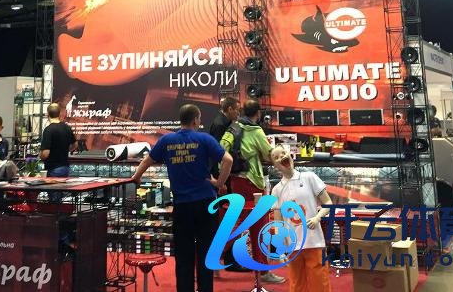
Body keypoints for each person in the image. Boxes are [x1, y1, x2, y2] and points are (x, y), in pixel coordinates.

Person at [131, 104, 232, 292]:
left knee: (184, 255)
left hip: (182, 206)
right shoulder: (204, 138)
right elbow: (228, 160)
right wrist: (219, 183)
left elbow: (147, 160)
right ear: (195, 119)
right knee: (206, 252)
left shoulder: (167, 140)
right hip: (206, 203)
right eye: (199, 118)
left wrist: (136, 177)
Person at [220, 99, 284, 285]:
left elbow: (221, 150)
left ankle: (209, 256)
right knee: (259, 226)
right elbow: (269, 155)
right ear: (258, 113)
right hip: (252, 183)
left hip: (235, 181)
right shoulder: (256, 131)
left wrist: (223, 176)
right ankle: (263, 271)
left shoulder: (233, 127)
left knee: (236, 223)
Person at [270, 145, 332, 292]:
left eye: (283, 153)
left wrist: (317, 217)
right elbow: (278, 223)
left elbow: (328, 203)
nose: (281, 157)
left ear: (290, 154)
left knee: (320, 283)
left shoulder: (309, 177)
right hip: (292, 245)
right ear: (275, 165)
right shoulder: (276, 190)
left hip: (314, 241)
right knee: (297, 285)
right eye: (276, 157)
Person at [40, 103, 77, 179]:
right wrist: (66, 150)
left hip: (53, 169)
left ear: (47, 114)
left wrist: (40, 156)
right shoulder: (67, 128)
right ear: (59, 114)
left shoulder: (48, 130)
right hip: (65, 167)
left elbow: (45, 153)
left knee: (53, 187)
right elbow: (75, 144)